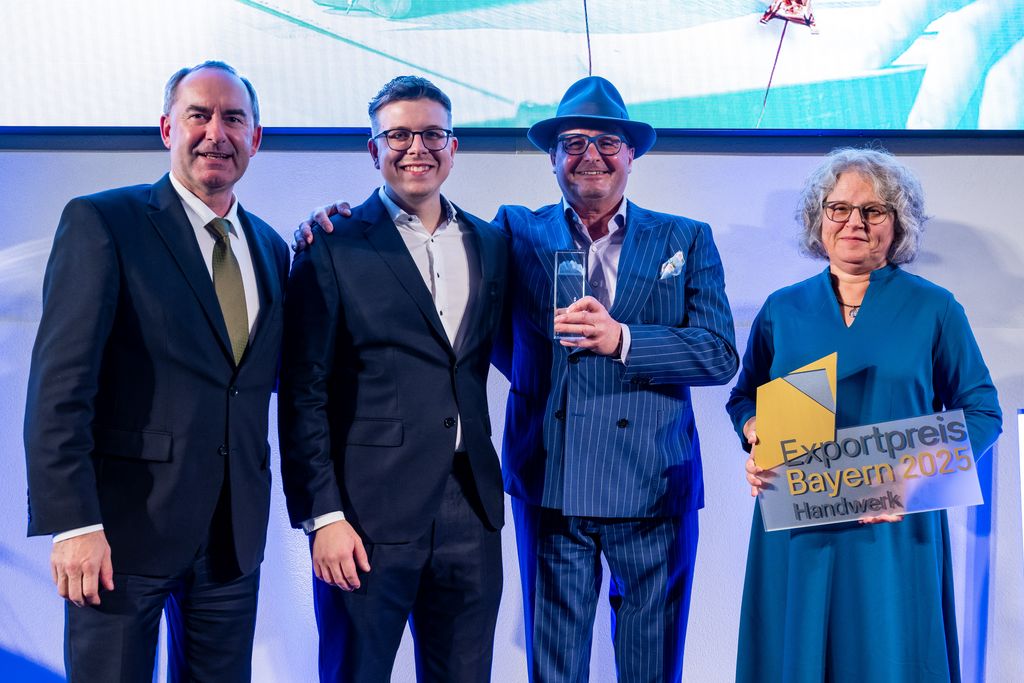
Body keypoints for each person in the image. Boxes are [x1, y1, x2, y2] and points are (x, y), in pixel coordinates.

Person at [296, 74, 739, 682]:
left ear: (632, 153)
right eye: (574, 142)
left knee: (653, 664)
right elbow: (474, 335)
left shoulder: (685, 238)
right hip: (551, 482)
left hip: (655, 485)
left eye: (607, 142)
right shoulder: (512, 232)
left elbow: (718, 354)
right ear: (552, 158)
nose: (591, 156)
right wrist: (324, 220)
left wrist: (624, 340)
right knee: (552, 670)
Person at [23, 61, 289, 682]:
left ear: (256, 138)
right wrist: (74, 523)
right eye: (198, 115)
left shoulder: (272, 248)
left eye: (233, 118)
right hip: (119, 538)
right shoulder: (104, 223)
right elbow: (60, 387)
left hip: (231, 544)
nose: (215, 132)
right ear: (167, 127)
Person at [726, 147, 1002, 682]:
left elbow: (982, 412)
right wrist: (754, 431)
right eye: (839, 208)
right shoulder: (782, 308)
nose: (854, 222)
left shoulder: (935, 308)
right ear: (818, 219)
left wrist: (915, 477)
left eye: (873, 211)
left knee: (888, 657)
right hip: (796, 528)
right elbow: (744, 398)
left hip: (892, 528)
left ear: (896, 225)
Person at [277, 76, 508, 682]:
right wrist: (323, 517)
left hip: (472, 510)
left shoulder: (490, 242)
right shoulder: (331, 244)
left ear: (453, 147)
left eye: (432, 133)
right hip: (365, 517)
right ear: (373, 148)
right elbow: (304, 392)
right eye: (399, 134)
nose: (417, 148)